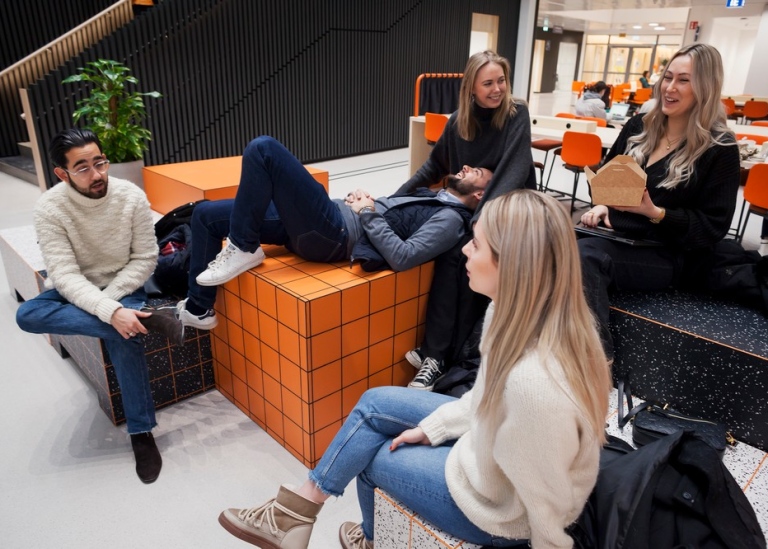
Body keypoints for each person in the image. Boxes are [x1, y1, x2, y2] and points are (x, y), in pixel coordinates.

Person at [216, 190, 612, 549]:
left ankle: (370, 540)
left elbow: (547, 500)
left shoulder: (536, 382)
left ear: (511, 264)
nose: (464, 253)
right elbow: (486, 397)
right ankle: (296, 513)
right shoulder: (513, 312)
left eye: (476, 244)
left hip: (505, 515)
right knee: (374, 404)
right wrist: (435, 429)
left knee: (370, 459)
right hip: (489, 455)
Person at [175, 136, 491, 329]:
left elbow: (404, 256)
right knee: (204, 213)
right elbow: (389, 214)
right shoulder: (432, 196)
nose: (464, 168)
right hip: (328, 217)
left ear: (479, 196)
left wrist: (366, 211)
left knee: (264, 149)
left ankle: (243, 246)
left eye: (474, 172)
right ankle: (200, 309)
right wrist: (361, 201)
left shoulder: (451, 220)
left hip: (333, 234)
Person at [15, 128, 183, 484]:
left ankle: (141, 433)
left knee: (124, 337)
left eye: (100, 162)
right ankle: (149, 321)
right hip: (77, 288)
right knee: (27, 314)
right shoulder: (50, 208)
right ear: (62, 173)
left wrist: (114, 302)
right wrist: (111, 313)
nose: (96, 174)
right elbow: (64, 274)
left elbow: (145, 257)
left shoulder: (130, 196)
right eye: (82, 168)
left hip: (124, 283)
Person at [578, 43, 741, 358]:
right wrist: (602, 203)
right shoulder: (640, 126)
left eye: (683, 80)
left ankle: (597, 360)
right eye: (668, 77)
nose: (670, 87)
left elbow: (712, 228)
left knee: (585, 258)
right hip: (620, 235)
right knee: (549, 241)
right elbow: (603, 179)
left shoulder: (719, 148)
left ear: (705, 88)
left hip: (668, 253)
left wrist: (654, 212)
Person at [394, 50, 537, 391]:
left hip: (510, 207)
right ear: (471, 87)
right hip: (474, 211)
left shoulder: (516, 114)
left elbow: (513, 173)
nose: (497, 89)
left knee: (469, 254)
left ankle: (441, 355)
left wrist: (481, 225)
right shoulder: (460, 121)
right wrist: (396, 197)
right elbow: (434, 166)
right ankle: (438, 356)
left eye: (501, 80)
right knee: (451, 253)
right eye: (488, 83)